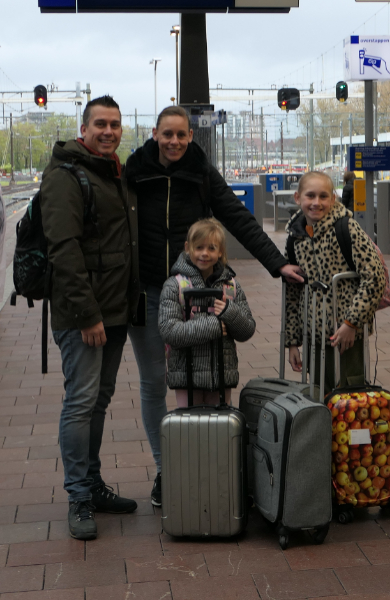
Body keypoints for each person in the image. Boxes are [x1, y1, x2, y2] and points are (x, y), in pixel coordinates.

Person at [125, 106, 303, 507]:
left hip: (199, 289)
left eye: (181, 135)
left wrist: (276, 263)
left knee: (204, 379)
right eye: (166, 134)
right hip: (151, 289)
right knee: (157, 381)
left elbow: (238, 218)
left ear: (190, 136)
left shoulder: (201, 173)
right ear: (154, 133)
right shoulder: (134, 173)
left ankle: (210, 461)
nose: (173, 141)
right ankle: (166, 470)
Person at [41, 95, 140, 540]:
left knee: (97, 401)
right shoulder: (65, 176)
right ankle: (79, 495)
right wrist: (87, 314)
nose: (108, 131)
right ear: (83, 129)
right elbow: (64, 250)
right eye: (100, 123)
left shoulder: (112, 172)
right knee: (80, 402)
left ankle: (93, 485)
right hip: (84, 315)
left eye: (115, 124)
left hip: (115, 310)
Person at [285, 171, 386, 390]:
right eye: (310, 196)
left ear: (333, 198)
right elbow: (293, 292)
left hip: (346, 335)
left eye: (323, 196)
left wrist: (352, 322)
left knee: (348, 397)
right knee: (320, 396)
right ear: (297, 198)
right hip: (313, 335)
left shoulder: (346, 228)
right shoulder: (296, 237)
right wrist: (293, 341)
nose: (316, 203)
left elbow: (375, 278)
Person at [159, 219, 255, 406]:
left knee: (218, 431)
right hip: (186, 376)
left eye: (211, 248)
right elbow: (169, 331)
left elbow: (247, 330)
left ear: (220, 252)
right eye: (199, 247)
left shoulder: (230, 286)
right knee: (191, 430)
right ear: (188, 248)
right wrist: (215, 326)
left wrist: (229, 311)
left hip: (222, 375)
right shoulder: (175, 286)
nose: (205, 253)